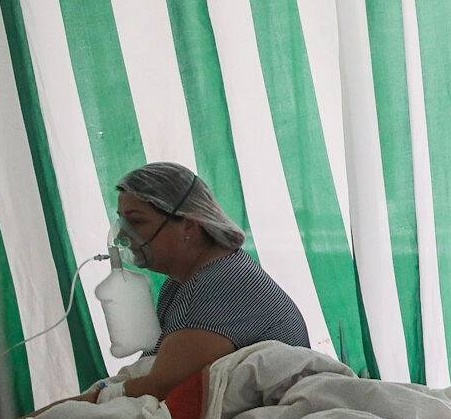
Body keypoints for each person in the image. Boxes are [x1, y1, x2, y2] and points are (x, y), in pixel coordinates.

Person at [108, 162, 307, 400]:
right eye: (122, 221)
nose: (121, 235)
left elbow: (162, 389)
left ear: (189, 225)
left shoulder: (223, 286)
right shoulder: (183, 284)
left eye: (137, 221)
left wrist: (98, 397)